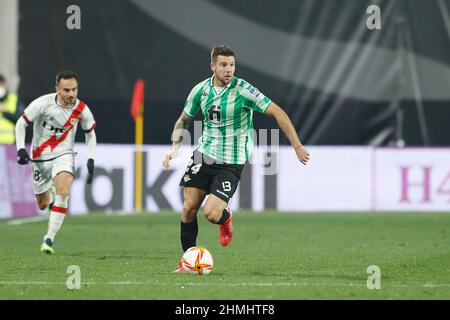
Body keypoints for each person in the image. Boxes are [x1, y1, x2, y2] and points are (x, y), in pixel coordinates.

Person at [163, 45, 310, 273]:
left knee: (211, 214)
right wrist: (174, 148)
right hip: (204, 154)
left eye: (231, 65)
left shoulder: (243, 90)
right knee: (189, 208)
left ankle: (225, 217)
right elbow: (183, 121)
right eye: (223, 65)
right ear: (213, 66)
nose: (228, 69)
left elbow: (278, 112)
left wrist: (297, 145)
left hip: (232, 160)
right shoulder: (200, 91)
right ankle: (187, 262)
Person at [15, 70, 97, 254]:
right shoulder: (43, 103)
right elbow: (21, 123)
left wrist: (91, 158)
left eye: (74, 90)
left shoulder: (81, 109)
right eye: (66, 90)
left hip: (64, 155)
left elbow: (90, 133)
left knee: (63, 191)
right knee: (43, 205)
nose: (71, 94)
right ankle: (49, 197)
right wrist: (20, 148)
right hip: (39, 158)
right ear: (57, 89)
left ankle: (49, 239)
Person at [0, 74, 24, 144]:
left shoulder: (14, 99)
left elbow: (21, 120)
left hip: (10, 144)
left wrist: (4, 112)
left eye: (1, 84)